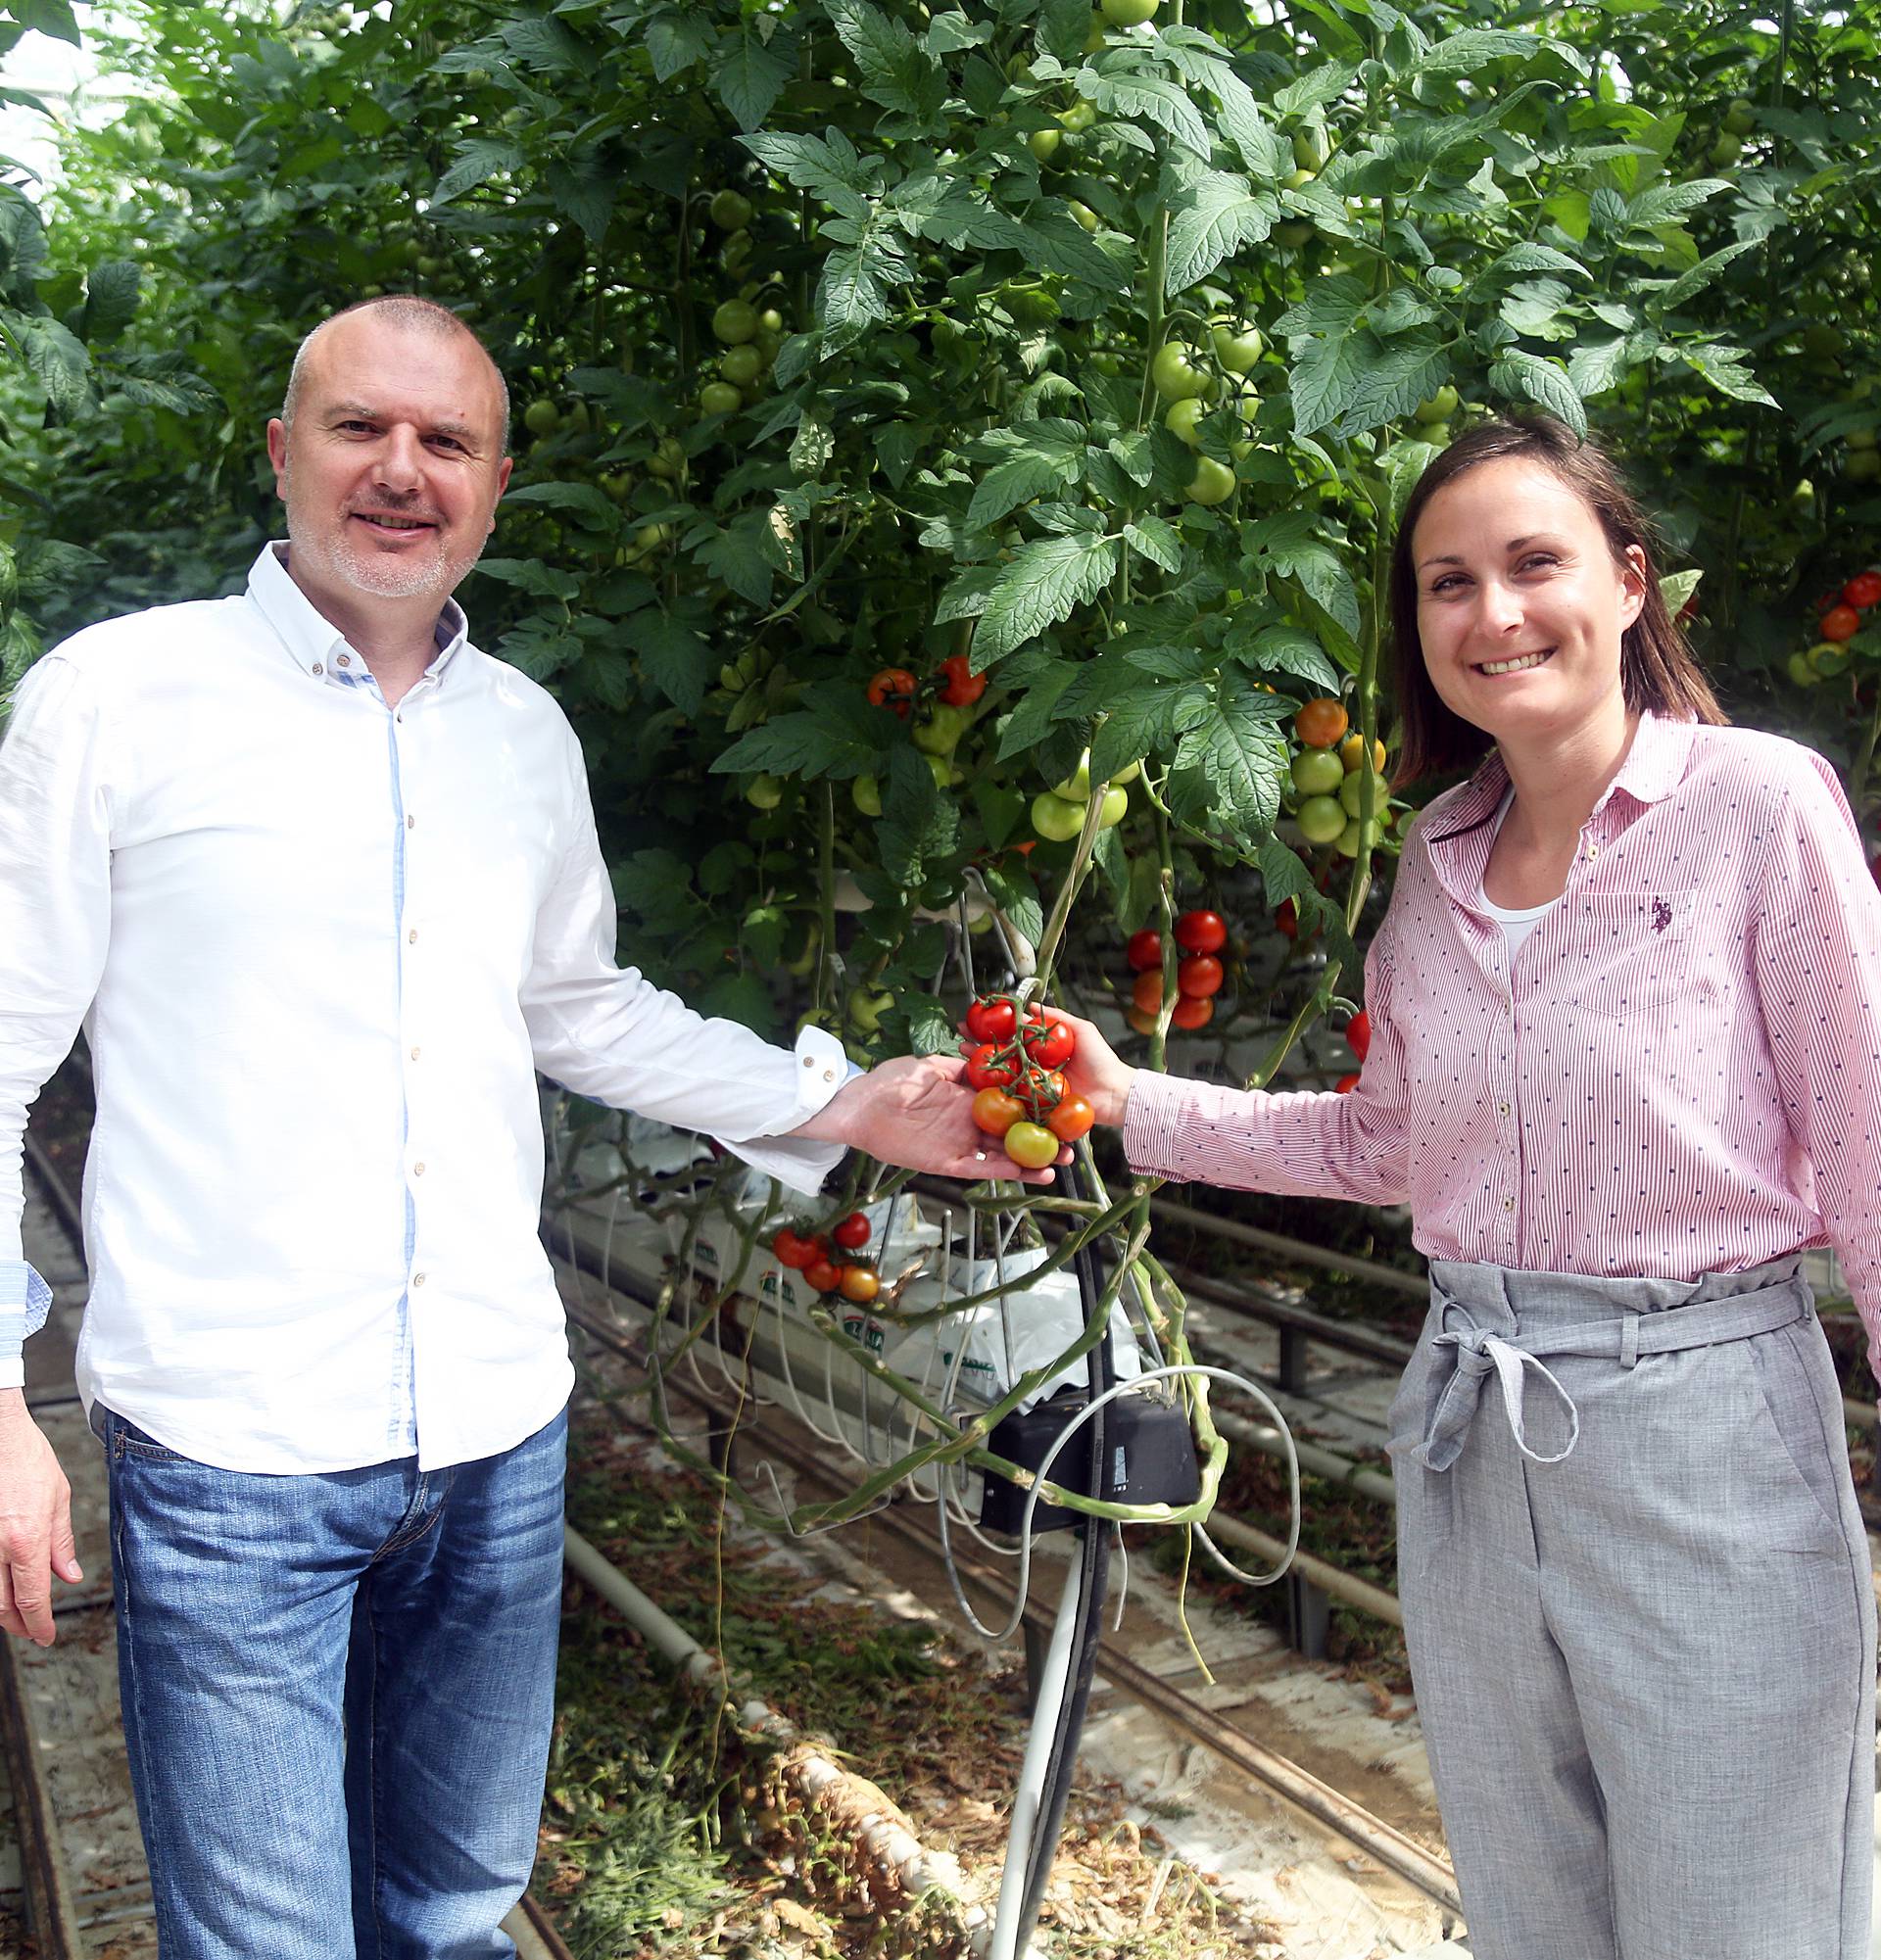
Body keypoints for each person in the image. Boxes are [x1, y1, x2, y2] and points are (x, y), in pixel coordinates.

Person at [0, 294, 1056, 1960]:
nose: (401, 472)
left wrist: (842, 1103)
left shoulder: (522, 736)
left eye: (448, 442)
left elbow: (578, 1009)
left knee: (454, 1910)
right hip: (231, 1449)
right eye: (361, 429)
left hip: (494, 1427)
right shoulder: (118, 702)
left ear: (495, 485)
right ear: (283, 453)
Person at [1055, 414, 1880, 1960]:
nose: (1494, 613)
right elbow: (1389, 1144)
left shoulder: (1759, 810)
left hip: (1703, 1433)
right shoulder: (1435, 863)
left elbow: (1871, 1134)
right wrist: (1126, 1102)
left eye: (1534, 563)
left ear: (1629, 584)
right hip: (1468, 1438)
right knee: (1532, 1917)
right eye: (1449, 582)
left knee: (1745, 1921)